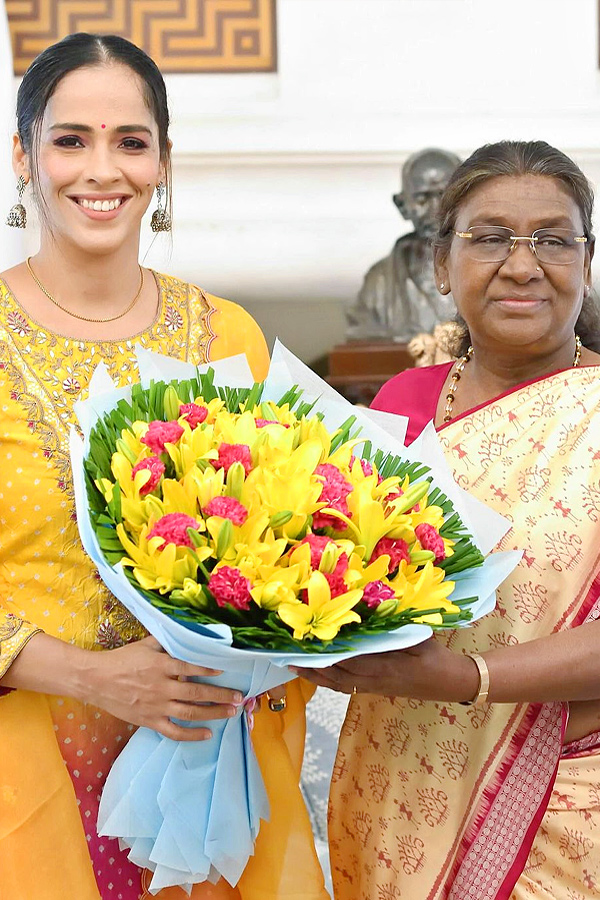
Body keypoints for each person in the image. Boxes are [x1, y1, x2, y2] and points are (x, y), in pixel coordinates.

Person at [0, 33, 328, 900]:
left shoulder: (227, 337)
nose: (100, 169)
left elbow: (284, 545)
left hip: (198, 777)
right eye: (70, 139)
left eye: (130, 142)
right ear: (23, 155)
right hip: (21, 769)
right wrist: (96, 679)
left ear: (163, 162)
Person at [297, 141, 600, 899]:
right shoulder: (398, 402)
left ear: (587, 262)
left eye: (553, 239)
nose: (523, 265)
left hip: (557, 803)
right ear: (441, 265)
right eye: (490, 237)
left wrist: (466, 677)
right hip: (393, 786)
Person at [345, 147, 461, 343]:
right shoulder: (379, 281)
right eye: (422, 198)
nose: (435, 210)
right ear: (402, 205)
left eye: (443, 196)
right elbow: (362, 336)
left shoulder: (488, 268)